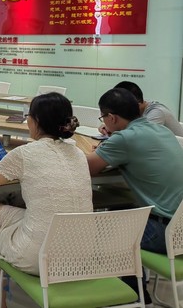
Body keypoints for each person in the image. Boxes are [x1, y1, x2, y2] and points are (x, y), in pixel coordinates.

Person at [0, 92, 92, 303]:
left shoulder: (25, 153)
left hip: (40, 257)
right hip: (82, 256)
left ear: (36, 121)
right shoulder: (79, 153)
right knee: (18, 211)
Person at [86, 88, 183, 304]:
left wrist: (105, 148)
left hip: (166, 233)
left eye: (103, 117)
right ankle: (136, 291)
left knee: (101, 226)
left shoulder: (125, 139)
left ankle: (129, 294)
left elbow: (88, 167)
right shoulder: (161, 131)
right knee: (119, 211)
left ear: (112, 118)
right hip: (180, 227)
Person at [110, 81, 183, 136]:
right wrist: (109, 126)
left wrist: (114, 129)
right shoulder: (140, 106)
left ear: (137, 104)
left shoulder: (157, 113)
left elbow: (140, 137)